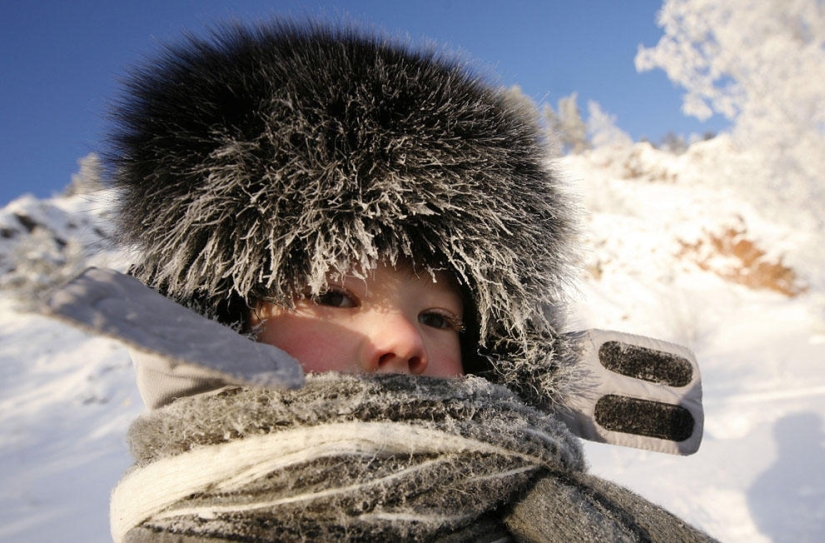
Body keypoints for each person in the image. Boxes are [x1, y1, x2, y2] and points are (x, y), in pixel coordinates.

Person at [99, 18, 715, 542]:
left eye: (439, 319)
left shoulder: (523, 486)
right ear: (222, 321)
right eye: (334, 295)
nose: (406, 339)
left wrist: (524, 384)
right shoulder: (197, 520)